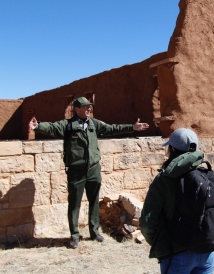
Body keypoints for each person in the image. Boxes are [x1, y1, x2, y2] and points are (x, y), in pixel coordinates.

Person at [28, 97, 149, 249]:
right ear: (77, 109)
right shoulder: (68, 125)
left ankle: (94, 231)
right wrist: (38, 125)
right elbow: (52, 127)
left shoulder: (94, 124)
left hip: (93, 170)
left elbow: (112, 128)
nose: (89, 109)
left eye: (90, 107)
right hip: (76, 172)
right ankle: (74, 235)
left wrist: (132, 127)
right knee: (74, 204)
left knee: (94, 201)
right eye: (85, 107)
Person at [140, 128, 214, 274]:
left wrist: (158, 242)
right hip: (206, 251)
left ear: (172, 149)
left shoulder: (164, 179)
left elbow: (147, 224)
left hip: (176, 252)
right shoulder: (205, 172)